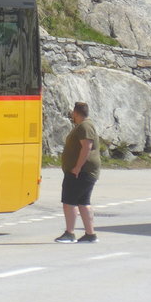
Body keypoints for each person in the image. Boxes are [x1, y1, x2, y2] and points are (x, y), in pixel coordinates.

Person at [55, 101, 101, 243]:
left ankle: (70, 233)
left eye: (73, 113)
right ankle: (90, 234)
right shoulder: (86, 125)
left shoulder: (84, 126)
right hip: (86, 171)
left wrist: (77, 167)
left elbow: (86, 147)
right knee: (83, 202)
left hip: (81, 172)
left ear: (76, 113)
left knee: (69, 202)